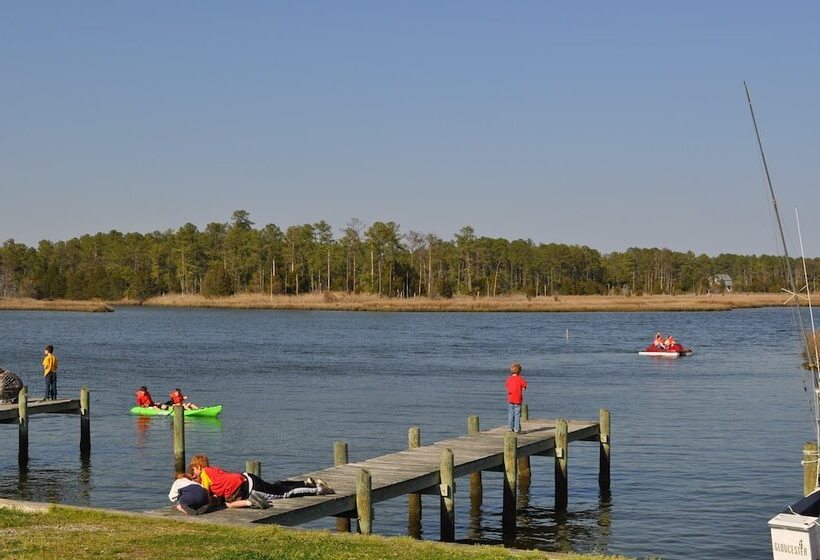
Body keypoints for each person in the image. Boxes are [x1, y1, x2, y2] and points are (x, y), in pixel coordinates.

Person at [188, 454, 334, 510]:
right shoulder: (214, 470)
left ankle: (318, 489)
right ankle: (306, 483)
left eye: (194, 472)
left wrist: (207, 505)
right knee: (277, 486)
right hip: (247, 477)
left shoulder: (205, 474)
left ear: (199, 467)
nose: (195, 477)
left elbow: (206, 494)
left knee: (283, 494)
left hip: (249, 488)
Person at [505, 361, 528, 433]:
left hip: (510, 399)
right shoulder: (520, 379)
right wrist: (521, 388)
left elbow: (507, 386)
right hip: (518, 399)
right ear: (519, 371)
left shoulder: (509, 378)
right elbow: (524, 387)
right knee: (517, 414)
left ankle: (510, 428)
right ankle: (516, 429)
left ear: (511, 370)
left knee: (510, 414)